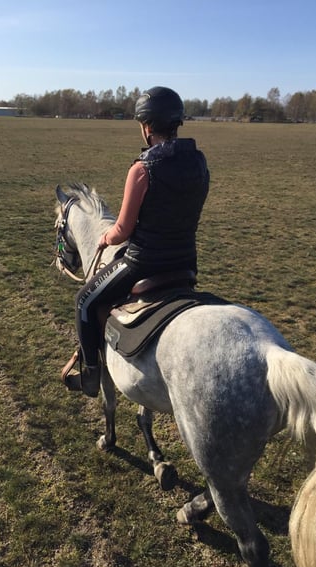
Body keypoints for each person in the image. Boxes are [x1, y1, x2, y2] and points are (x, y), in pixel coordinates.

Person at [63, 86, 210, 397]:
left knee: (84, 301)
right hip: (185, 262)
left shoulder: (142, 169)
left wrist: (105, 237)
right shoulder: (199, 162)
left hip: (143, 262)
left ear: (146, 126)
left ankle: (91, 374)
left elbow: (123, 230)